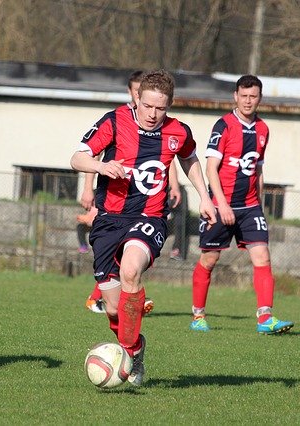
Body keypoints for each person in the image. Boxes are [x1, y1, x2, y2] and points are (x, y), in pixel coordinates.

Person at [71, 70, 217, 386]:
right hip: (109, 220)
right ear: (137, 98)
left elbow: (189, 159)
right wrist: (100, 166)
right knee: (112, 308)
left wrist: (205, 196)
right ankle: (135, 348)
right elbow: (77, 157)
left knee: (131, 271)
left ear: (169, 105)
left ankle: (124, 355)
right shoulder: (113, 122)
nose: (153, 114)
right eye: (148, 106)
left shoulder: (178, 131)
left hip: (149, 218)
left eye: (160, 108)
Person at [189, 74, 293, 335]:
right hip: (220, 204)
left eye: (253, 96)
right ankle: (198, 316)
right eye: (244, 96)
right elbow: (211, 168)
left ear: (260, 98)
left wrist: (260, 207)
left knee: (262, 256)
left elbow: (257, 170)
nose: (248, 101)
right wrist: (221, 205)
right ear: (235, 96)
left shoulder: (263, 130)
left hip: (249, 207)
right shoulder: (223, 126)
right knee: (209, 259)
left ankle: (265, 318)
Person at [82, 70, 153, 315]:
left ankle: (131, 299)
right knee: (110, 260)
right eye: (135, 91)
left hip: (144, 211)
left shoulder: (159, 124)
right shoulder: (115, 119)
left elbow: (167, 160)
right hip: (111, 208)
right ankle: (103, 299)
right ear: (132, 92)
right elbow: (93, 155)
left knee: (130, 264)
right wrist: (87, 187)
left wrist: (174, 184)